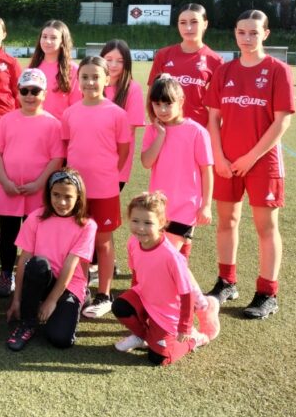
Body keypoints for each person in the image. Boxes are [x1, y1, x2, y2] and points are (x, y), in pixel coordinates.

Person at [204, 10, 295, 319]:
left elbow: (283, 121)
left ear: (265, 34)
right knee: (226, 221)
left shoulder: (277, 70)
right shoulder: (224, 71)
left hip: (262, 162)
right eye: (242, 32)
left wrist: (251, 156)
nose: (247, 37)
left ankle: (267, 292)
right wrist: (218, 154)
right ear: (235, 33)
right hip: (227, 161)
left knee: (265, 227)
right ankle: (226, 281)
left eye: (254, 32)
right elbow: (213, 117)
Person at [112, 192, 219, 365]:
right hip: (145, 297)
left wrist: (185, 325)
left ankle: (195, 340)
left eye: (148, 223)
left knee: (160, 358)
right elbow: (136, 273)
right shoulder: (133, 242)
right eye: (135, 221)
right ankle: (143, 337)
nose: (140, 228)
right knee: (121, 306)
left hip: (168, 310)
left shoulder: (171, 256)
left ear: (162, 223)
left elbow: (187, 293)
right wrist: (133, 298)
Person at [61, 56, 130, 319]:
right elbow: (67, 149)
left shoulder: (116, 114)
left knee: (102, 241)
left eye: (95, 77)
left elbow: (123, 152)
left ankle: (104, 293)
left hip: (104, 189)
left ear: (106, 79)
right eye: (85, 77)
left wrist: (106, 174)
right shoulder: (70, 113)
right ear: (78, 81)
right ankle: (81, 289)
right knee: (79, 240)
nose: (90, 82)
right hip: (77, 190)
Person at [0, 69, 65, 297]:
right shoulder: (7, 120)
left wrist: (39, 184)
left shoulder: (53, 124)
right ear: (17, 93)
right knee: (8, 234)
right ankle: (5, 273)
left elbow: (56, 158)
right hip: (9, 190)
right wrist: (3, 180)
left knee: (36, 237)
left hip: (37, 192)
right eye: (25, 90)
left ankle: (32, 275)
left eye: (35, 91)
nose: (30, 95)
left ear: (44, 94)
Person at [5, 169, 97, 351]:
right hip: (42, 278)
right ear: (48, 193)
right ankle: (28, 324)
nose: (61, 202)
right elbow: (23, 260)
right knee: (38, 264)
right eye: (56, 194)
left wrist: (52, 301)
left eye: (68, 197)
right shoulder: (35, 218)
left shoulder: (87, 225)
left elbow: (71, 265)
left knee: (60, 339)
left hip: (68, 284)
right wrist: (16, 301)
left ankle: (78, 299)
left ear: (78, 197)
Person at [141, 74, 214, 260]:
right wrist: (160, 136)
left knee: (167, 255)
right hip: (158, 205)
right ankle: (179, 286)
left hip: (185, 207)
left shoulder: (197, 132)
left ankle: (179, 288)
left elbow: (207, 171)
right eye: (157, 104)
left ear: (181, 101)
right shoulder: (153, 130)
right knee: (166, 254)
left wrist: (205, 205)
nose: (162, 109)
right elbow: (146, 162)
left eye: (168, 104)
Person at [148, 3, 223, 127]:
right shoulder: (163, 55)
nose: (188, 27)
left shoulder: (215, 60)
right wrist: (156, 124)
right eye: (182, 22)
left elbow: (218, 107)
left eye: (194, 22)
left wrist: (208, 133)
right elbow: (152, 97)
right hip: (167, 126)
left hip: (199, 127)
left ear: (205, 24)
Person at [101, 39, 145, 189]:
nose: (113, 65)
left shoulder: (132, 89)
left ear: (126, 63)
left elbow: (129, 129)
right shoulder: (92, 86)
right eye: (108, 60)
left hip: (116, 162)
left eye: (119, 61)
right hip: (90, 159)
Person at [27, 19, 77, 120]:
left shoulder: (73, 69)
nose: (47, 41)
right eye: (44, 36)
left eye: (53, 38)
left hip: (61, 129)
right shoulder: (32, 68)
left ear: (62, 41)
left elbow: (77, 104)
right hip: (35, 125)